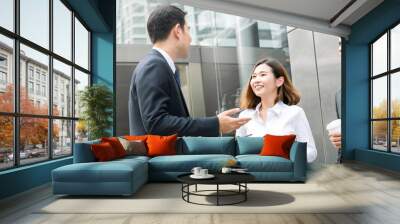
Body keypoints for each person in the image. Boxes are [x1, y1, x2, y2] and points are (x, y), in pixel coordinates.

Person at [129, 5, 250, 136]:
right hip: (159, 156)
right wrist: (216, 124)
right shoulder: (154, 65)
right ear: (178, 31)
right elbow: (156, 123)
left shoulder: (157, 65)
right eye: (188, 29)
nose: (191, 38)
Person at [235, 58, 317, 163]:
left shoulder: (295, 113)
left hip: (284, 176)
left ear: (279, 81)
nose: (256, 80)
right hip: (253, 176)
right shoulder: (245, 116)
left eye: (263, 75)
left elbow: (310, 151)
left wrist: (286, 155)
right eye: (254, 76)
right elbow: (237, 152)